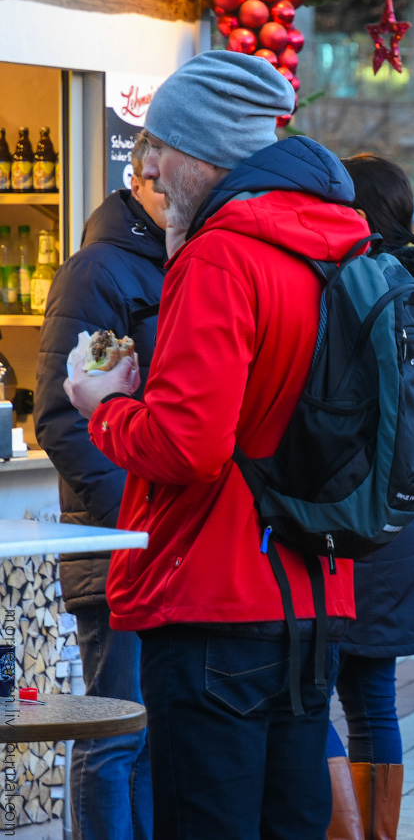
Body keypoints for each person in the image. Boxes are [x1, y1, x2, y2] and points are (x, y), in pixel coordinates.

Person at [63, 51, 363, 839]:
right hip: (308, 592)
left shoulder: (223, 254)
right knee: (287, 822)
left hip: (210, 595)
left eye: (160, 145)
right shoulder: (331, 244)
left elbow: (189, 447)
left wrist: (107, 404)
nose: (149, 166)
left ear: (207, 151)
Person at [319, 153, 414, 840]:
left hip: (334, 523)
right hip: (398, 524)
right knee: (373, 700)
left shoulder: (346, 287)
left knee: (309, 700)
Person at [34, 132, 166, 840]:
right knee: (115, 733)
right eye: (158, 175)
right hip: (117, 544)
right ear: (138, 176)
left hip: (157, 545)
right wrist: (137, 525)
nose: (172, 188)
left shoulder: (172, 260)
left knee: (149, 734)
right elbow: (64, 417)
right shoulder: (100, 272)